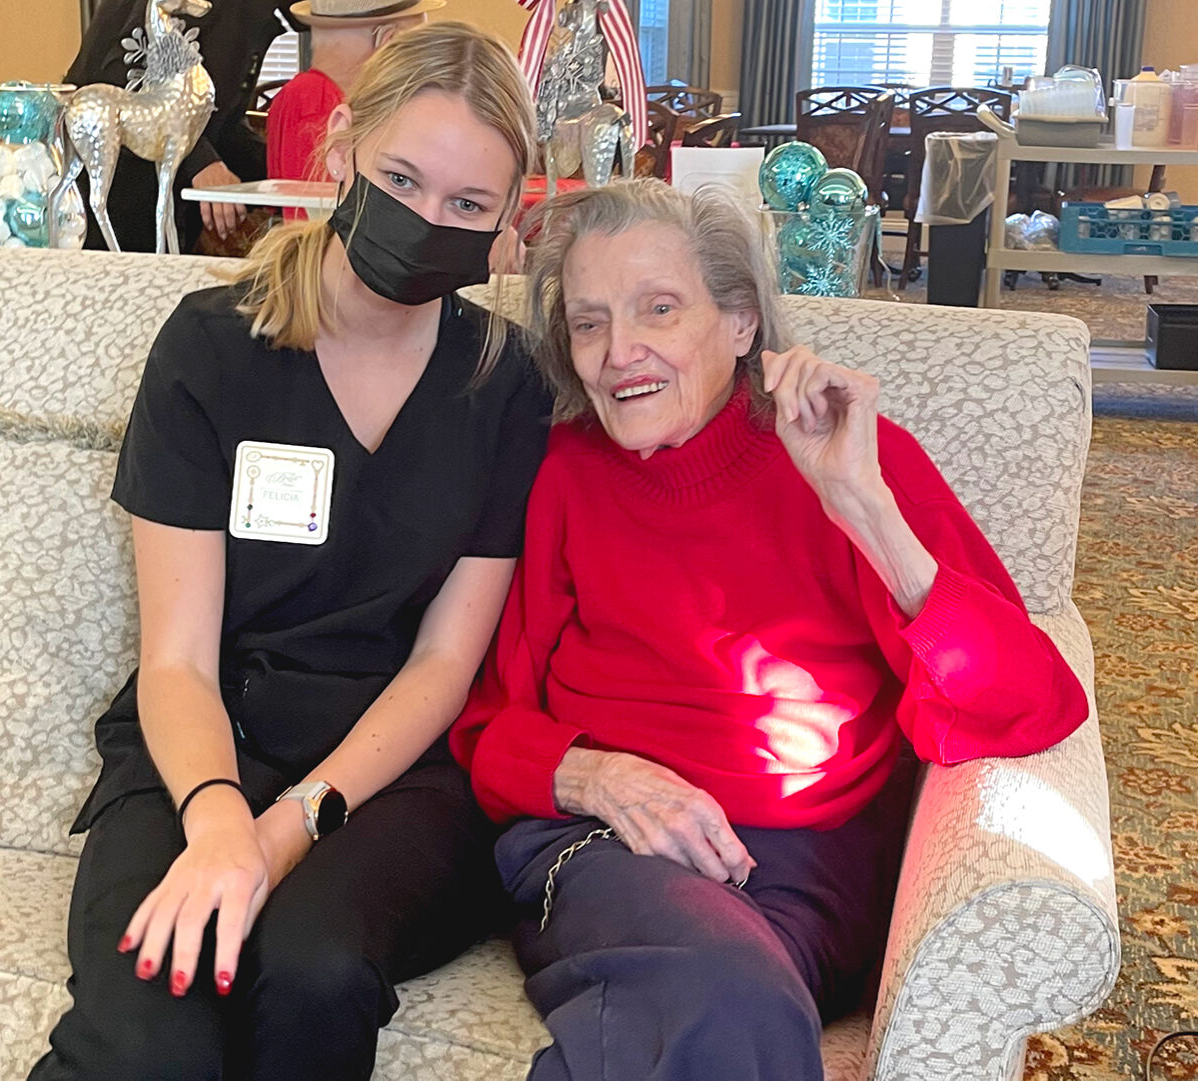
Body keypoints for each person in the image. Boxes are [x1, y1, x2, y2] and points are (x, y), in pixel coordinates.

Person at [449, 180, 1090, 1081]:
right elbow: (487, 725)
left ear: (742, 321)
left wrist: (862, 507)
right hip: (604, 844)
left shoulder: (853, 463)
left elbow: (1030, 702)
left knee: (721, 1014)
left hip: (804, 868)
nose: (618, 352)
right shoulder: (563, 475)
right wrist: (598, 776)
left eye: (658, 309)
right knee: (728, 1002)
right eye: (589, 323)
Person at [30, 22, 546, 1081]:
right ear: (343, 147)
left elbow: (445, 663)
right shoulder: (211, 348)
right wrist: (220, 817)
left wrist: (282, 834)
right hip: (207, 734)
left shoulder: (507, 383)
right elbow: (177, 658)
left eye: (467, 205)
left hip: (399, 771)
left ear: (506, 220)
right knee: (149, 1029)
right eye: (400, 179)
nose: (426, 221)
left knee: (312, 971)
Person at [65, 0, 299, 251]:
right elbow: (128, 82)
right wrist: (201, 160)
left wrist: (289, 172)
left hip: (165, 193)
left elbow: (221, 123)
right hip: (117, 192)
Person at [266, 0, 442, 192]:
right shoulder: (318, 101)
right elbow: (318, 203)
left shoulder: (319, 95)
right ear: (388, 40)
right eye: (417, 45)